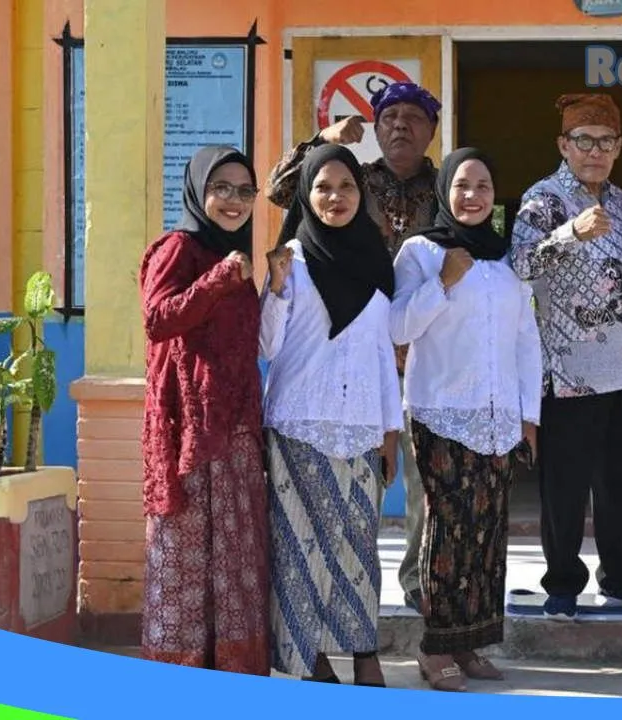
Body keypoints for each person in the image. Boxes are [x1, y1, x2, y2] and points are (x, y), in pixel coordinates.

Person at [268, 81, 443, 614]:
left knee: (424, 482)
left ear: (432, 131)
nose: (400, 127)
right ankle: (324, 600)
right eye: (389, 117)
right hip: (350, 355)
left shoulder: (445, 191)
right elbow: (281, 191)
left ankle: (418, 580)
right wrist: (318, 137)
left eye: (413, 118)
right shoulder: (353, 181)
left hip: (425, 354)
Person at [509, 93, 622, 621]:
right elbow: (521, 267)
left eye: (605, 141)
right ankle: (562, 584)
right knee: (566, 487)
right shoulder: (542, 199)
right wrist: (567, 234)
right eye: (583, 140)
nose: (594, 151)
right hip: (568, 370)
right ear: (563, 144)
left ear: (618, 147)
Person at [390, 148, 543, 691]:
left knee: (486, 536)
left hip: (500, 417)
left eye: (482, 185)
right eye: (461, 185)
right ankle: (435, 649)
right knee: (445, 536)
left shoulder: (505, 260)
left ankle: (472, 641)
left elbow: (527, 340)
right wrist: (444, 283)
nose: (472, 196)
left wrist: (530, 416)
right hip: (439, 413)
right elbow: (398, 325)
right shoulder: (422, 252)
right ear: (444, 193)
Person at [260, 144, 402, 687]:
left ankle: (365, 654)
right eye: (323, 187)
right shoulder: (290, 260)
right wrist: (274, 288)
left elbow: (383, 356)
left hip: (363, 427)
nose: (335, 197)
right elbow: (268, 346)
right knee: (299, 551)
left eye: (346, 187)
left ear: (360, 194)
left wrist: (390, 431)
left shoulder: (375, 259)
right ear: (306, 194)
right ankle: (311, 661)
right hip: (299, 425)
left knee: (358, 551)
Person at [138, 145, 270, 674]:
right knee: (185, 556)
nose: (233, 201)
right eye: (221, 188)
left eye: (244, 191)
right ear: (197, 191)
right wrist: (215, 282)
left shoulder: (235, 256)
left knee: (233, 555)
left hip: (234, 427)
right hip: (190, 429)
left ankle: (232, 671)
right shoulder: (179, 248)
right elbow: (157, 318)